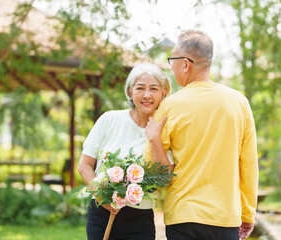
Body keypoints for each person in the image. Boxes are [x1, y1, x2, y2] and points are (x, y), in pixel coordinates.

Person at [144, 30, 258, 240]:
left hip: (183, 216)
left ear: (186, 64)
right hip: (225, 217)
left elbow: (153, 170)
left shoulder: (169, 107)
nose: (171, 66)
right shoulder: (239, 102)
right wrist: (247, 212)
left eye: (173, 60)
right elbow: (248, 164)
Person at [77, 63, 171, 240]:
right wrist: (101, 196)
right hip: (102, 214)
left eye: (154, 89)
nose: (147, 95)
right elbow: (84, 165)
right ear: (130, 92)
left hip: (140, 220)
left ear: (163, 93)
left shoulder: (165, 129)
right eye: (140, 88)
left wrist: (154, 138)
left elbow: (165, 178)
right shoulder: (109, 119)